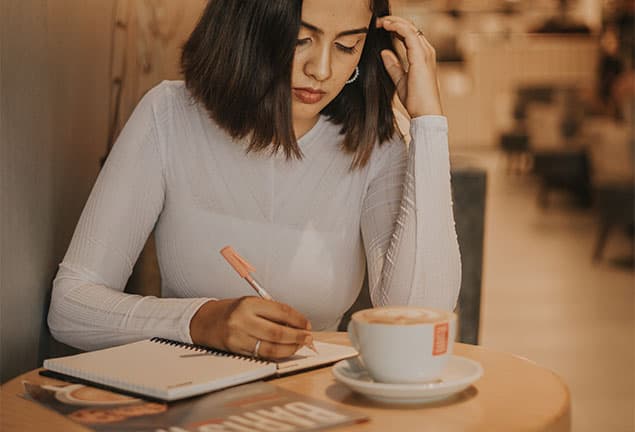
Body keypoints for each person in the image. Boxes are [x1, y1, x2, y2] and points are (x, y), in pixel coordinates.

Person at [48, 0, 461, 360]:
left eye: (346, 45)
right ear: (247, 24)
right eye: (300, 39)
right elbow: (70, 307)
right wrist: (198, 321)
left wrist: (428, 123)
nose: (320, 69)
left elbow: (419, 320)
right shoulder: (170, 116)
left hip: (316, 408)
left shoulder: (373, 144)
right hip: (188, 404)